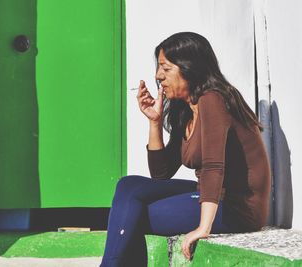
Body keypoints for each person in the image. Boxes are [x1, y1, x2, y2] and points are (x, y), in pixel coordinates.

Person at [99, 32, 271, 267]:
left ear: (190, 68)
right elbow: (161, 174)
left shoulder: (213, 99)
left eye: (166, 69)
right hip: (210, 195)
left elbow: (213, 165)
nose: (158, 76)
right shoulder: (187, 108)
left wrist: (203, 227)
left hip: (237, 207)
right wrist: (155, 122)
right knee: (128, 186)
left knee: (132, 215)